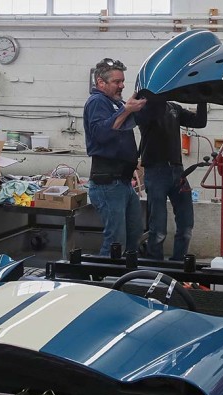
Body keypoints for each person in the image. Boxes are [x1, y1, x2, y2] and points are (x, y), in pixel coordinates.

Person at [83, 58, 147, 256]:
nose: (122, 85)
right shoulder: (97, 102)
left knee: (134, 233)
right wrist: (125, 110)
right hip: (107, 182)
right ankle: (104, 280)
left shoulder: (115, 103)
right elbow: (101, 134)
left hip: (123, 182)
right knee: (116, 240)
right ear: (101, 83)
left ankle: (124, 277)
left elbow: (124, 126)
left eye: (122, 81)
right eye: (117, 82)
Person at [135, 100, 207, 260]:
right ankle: (155, 264)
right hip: (156, 171)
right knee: (158, 229)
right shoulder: (145, 108)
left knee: (186, 225)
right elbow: (154, 110)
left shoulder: (174, 108)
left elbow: (200, 122)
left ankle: (179, 263)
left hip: (177, 170)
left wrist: (202, 98)